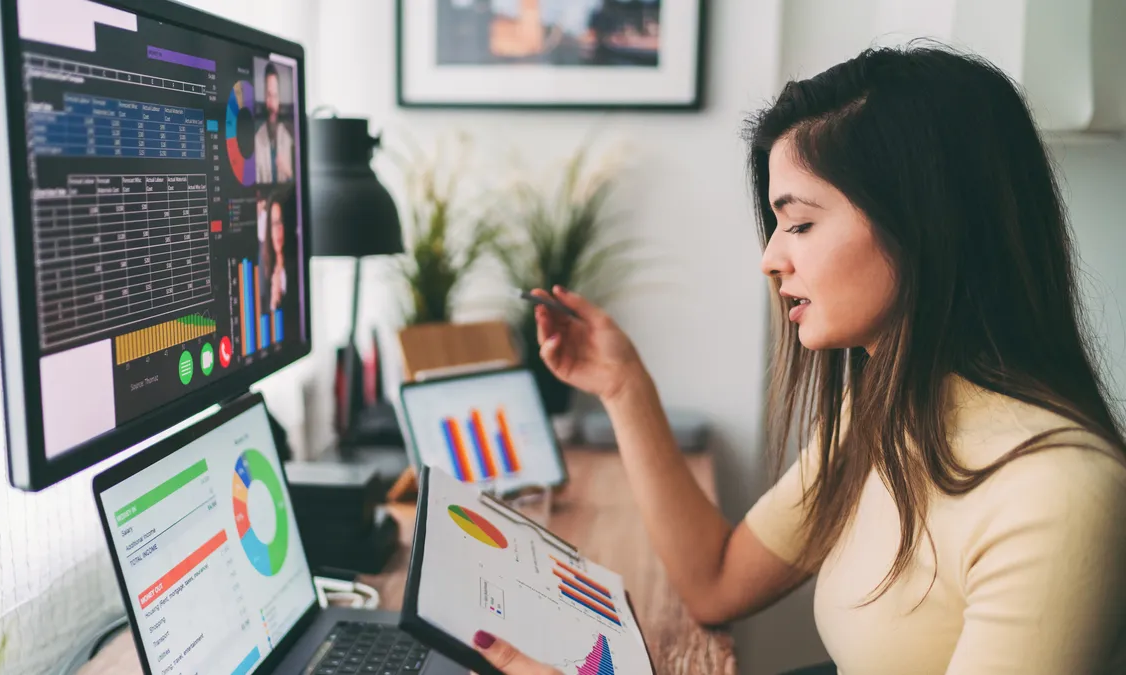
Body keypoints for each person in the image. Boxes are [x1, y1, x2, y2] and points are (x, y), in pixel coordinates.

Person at [469, 45, 1126, 675]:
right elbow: (715, 581)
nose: (772, 258)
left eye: (802, 223)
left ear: (925, 225)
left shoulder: (1058, 495)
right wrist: (622, 385)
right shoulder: (880, 417)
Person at [255, 62, 294, 184]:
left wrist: (288, 172)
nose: (271, 104)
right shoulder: (256, 140)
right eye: (269, 95)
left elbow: (296, 184)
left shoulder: (289, 137)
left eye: (275, 96)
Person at [259, 195, 287, 313]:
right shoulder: (264, 269)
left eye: (281, 222)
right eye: (274, 224)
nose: (278, 230)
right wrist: (274, 302)